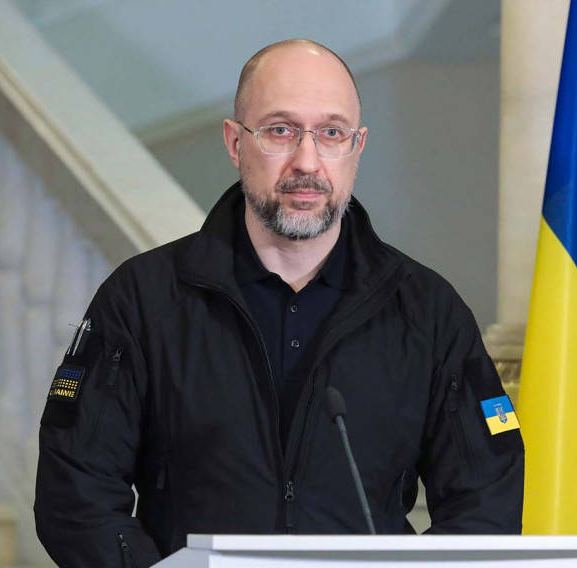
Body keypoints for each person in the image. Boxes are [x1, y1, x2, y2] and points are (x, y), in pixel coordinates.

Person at [34, 39, 524, 567]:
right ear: (235, 142)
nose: (306, 161)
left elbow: (486, 500)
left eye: (331, 133)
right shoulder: (142, 299)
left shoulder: (429, 312)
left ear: (357, 146)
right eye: (280, 130)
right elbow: (75, 491)